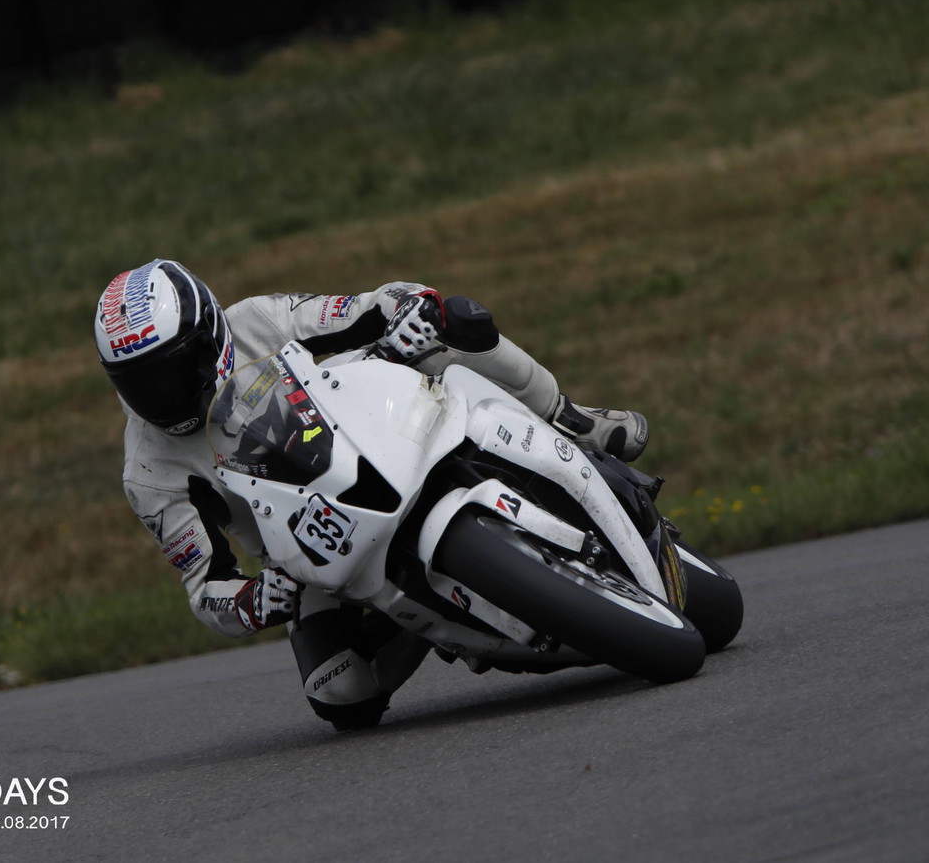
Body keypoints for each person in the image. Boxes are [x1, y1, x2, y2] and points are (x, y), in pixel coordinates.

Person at [94, 258, 650, 729]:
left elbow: (368, 306)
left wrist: (409, 310)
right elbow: (205, 587)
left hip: (373, 432)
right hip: (310, 552)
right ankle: (429, 623)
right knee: (339, 691)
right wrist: (252, 601)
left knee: (451, 322)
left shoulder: (257, 322)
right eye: (139, 383)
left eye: (175, 369)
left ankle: (570, 418)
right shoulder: (148, 473)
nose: (164, 396)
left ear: (211, 332)